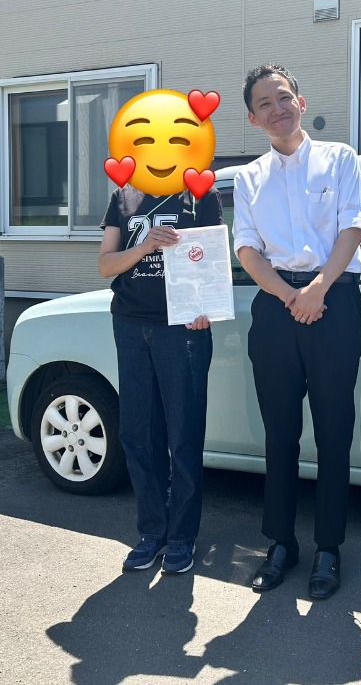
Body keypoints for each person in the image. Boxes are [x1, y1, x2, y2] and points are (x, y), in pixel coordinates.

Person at [233, 64, 361, 600]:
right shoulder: (247, 178)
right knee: (279, 432)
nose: (277, 109)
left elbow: (353, 227)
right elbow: (247, 249)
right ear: (253, 118)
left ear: (301, 102)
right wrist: (290, 296)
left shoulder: (340, 158)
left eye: (283, 97)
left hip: (335, 300)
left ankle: (328, 548)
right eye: (264, 103)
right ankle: (280, 543)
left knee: (334, 431)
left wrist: (317, 289)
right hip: (275, 308)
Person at [98, 184, 223, 574]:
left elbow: (213, 260)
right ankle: (152, 532)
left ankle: (182, 537)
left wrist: (206, 308)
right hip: (130, 325)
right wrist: (145, 245)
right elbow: (106, 265)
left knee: (183, 434)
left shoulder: (200, 194)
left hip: (182, 328)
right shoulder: (124, 196)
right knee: (138, 434)